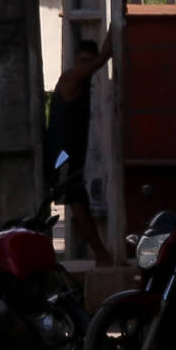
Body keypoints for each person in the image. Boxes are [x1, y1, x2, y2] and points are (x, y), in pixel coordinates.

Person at [47, 38, 117, 265]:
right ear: (77, 60)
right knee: (76, 201)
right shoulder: (71, 77)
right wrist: (114, 28)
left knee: (79, 201)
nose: (86, 65)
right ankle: (102, 256)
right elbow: (103, 58)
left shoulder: (83, 82)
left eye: (89, 60)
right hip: (62, 155)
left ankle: (102, 255)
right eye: (83, 61)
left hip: (71, 155)